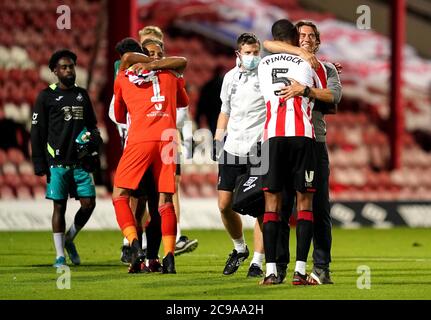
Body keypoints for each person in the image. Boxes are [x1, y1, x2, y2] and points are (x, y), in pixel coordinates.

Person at [264, 20, 342, 284]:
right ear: (293, 39)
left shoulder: (327, 68)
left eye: (311, 35)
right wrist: (300, 54)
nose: (306, 38)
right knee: (284, 208)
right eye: (301, 35)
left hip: (314, 141)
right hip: (285, 139)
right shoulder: (281, 59)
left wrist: (307, 90)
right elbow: (267, 43)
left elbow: (334, 96)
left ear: (318, 41)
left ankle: (321, 267)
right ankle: (283, 265)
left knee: (318, 207)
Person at [112, 48, 188, 274]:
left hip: (140, 140)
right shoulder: (171, 75)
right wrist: (158, 66)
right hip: (168, 139)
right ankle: (170, 257)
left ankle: (134, 244)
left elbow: (118, 116)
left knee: (120, 196)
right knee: (166, 200)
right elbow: (183, 101)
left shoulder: (124, 77)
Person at [30, 49, 101, 267]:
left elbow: (93, 127)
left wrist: (92, 142)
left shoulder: (82, 95)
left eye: (71, 66)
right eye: (64, 67)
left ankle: (70, 238)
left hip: (80, 162)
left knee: (89, 204)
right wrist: (40, 163)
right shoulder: (46, 97)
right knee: (59, 207)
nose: (69, 70)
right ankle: (60, 256)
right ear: (54, 71)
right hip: (57, 163)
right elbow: (37, 132)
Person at [214, 33, 266, 277]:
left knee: (260, 208)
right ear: (238, 54)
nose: (253, 57)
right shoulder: (229, 78)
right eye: (248, 52)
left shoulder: (267, 77)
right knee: (225, 205)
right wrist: (217, 137)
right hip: (232, 148)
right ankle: (239, 248)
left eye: (256, 52)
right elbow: (225, 109)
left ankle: (257, 261)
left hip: (258, 149)